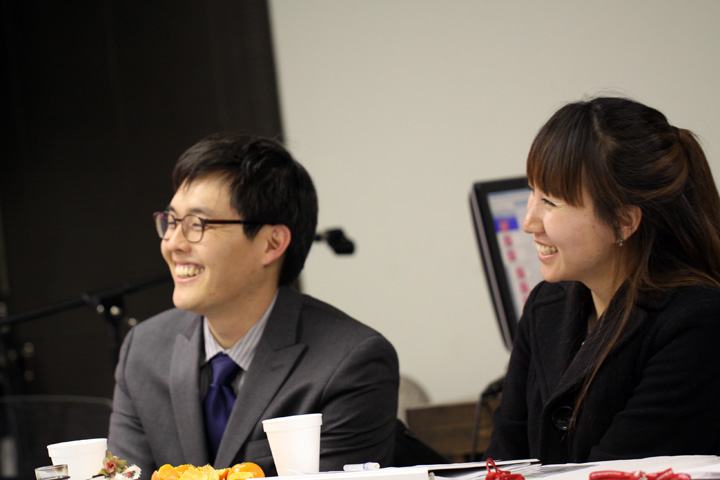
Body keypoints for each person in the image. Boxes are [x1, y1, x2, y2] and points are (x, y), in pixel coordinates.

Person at [108, 133, 399, 475]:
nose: (173, 243)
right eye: (171, 222)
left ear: (271, 243)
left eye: (197, 224)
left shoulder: (350, 362)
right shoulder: (144, 350)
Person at [484, 96, 720, 464]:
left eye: (551, 202)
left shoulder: (698, 323)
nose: (529, 223)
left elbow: (621, 468)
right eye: (532, 192)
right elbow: (503, 460)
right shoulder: (546, 306)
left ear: (623, 221)